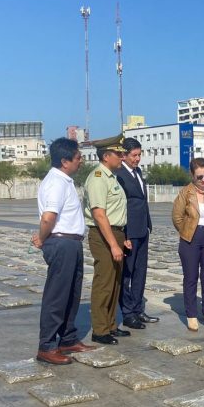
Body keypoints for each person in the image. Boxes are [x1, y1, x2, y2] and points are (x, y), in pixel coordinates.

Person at [31, 138, 95, 365]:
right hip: (62, 244)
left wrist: (42, 236)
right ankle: (46, 346)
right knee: (57, 297)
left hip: (71, 243)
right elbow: (49, 217)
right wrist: (43, 237)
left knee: (71, 294)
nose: (81, 161)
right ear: (64, 161)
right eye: (78, 158)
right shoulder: (56, 183)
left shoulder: (64, 181)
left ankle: (67, 339)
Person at [85, 135, 132, 345]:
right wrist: (113, 243)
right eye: (119, 154)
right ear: (106, 156)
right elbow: (99, 214)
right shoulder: (97, 178)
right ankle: (100, 329)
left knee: (115, 282)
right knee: (104, 281)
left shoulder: (111, 177)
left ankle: (111, 324)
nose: (122, 157)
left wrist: (122, 239)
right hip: (103, 235)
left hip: (116, 233)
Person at [172, 158, 204, 332]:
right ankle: (191, 315)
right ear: (192, 176)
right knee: (191, 278)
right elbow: (177, 217)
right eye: (199, 177)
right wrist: (187, 231)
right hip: (190, 238)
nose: (203, 180)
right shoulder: (185, 193)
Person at [115, 137, 159, 330]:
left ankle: (138, 309)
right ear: (124, 155)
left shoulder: (138, 172)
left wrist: (148, 224)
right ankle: (127, 312)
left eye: (139, 155)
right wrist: (124, 236)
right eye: (134, 155)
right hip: (129, 231)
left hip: (142, 229)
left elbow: (142, 201)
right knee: (127, 273)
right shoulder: (119, 175)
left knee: (140, 272)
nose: (137, 159)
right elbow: (120, 206)